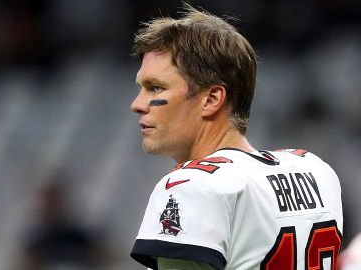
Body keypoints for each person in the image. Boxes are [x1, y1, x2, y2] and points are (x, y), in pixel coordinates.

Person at [129, 5, 343, 270]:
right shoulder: (316, 171)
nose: (137, 104)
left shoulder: (190, 185)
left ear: (211, 99)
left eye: (155, 88)